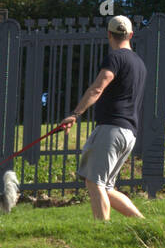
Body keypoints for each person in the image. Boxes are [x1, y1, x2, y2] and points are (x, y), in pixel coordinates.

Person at [60, 15, 146, 221]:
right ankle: (142, 224)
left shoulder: (115, 58)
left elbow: (98, 87)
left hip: (111, 129)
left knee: (94, 182)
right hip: (129, 133)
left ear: (109, 34)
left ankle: (102, 231)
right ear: (131, 35)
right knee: (106, 186)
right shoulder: (140, 64)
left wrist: (75, 114)